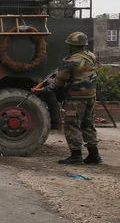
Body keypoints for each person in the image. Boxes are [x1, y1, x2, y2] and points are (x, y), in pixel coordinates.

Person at [36, 31, 101, 164]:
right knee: (88, 125)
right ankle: (94, 155)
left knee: (72, 125)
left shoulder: (70, 62)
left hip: (76, 98)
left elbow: (57, 84)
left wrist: (40, 90)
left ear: (72, 46)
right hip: (91, 96)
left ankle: (76, 156)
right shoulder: (91, 56)